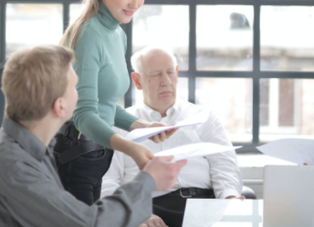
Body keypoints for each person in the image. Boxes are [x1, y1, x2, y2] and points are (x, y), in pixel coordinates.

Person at [0, 45, 187, 227]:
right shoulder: (14, 165)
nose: (84, 95)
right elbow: (88, 223)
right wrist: (148, 180)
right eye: (76, 88)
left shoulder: (25, 145)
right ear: (60, 106)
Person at [54, 0, 175, 205]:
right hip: (76, 153)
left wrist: (142, 127)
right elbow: (84, 115)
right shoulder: (88, 34)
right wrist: (130, 146)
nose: (136, 4)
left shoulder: (116, 34)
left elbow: (104, 105)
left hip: (96, 152)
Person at [101, 46, 244, 227]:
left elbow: (225, 166)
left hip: (206, 205)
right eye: (155, 74)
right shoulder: (120, 125)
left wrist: (229, 198)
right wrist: (135, 214)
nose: (166, 81)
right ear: (137, 81)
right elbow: (108, 181)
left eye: (170, 72)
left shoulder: (203, 117)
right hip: (151, 210)